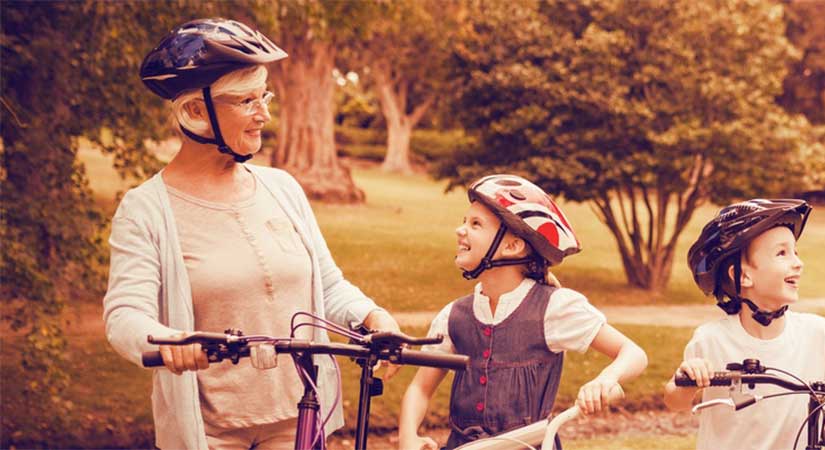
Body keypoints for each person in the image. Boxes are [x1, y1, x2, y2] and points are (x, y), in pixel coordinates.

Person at [103, 18, 405, 450]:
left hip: (300, 419)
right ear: (194, 111)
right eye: (246, 100)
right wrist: (167, 339)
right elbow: (124, 316)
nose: (263, 113)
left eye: (263, 95)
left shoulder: (281, 188)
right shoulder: (147, 209)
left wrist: (373, 317)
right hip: (210, 433)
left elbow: (327, 286)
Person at [397, 174, 648, 450]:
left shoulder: (553, 308)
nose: (461, 230)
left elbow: (634, 353)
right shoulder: (455, 316)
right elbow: (420, 388)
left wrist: (605, 380)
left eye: (475, 224)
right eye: (465, 221)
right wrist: (409, 437)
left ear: (512, 245)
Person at [664, 199, 825, 450]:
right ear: (743, 276)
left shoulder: (817, 333)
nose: (798, 263)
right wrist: (690, 378)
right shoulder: (712, 339)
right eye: (782, 253)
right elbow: (675, 401)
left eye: (796, 252)